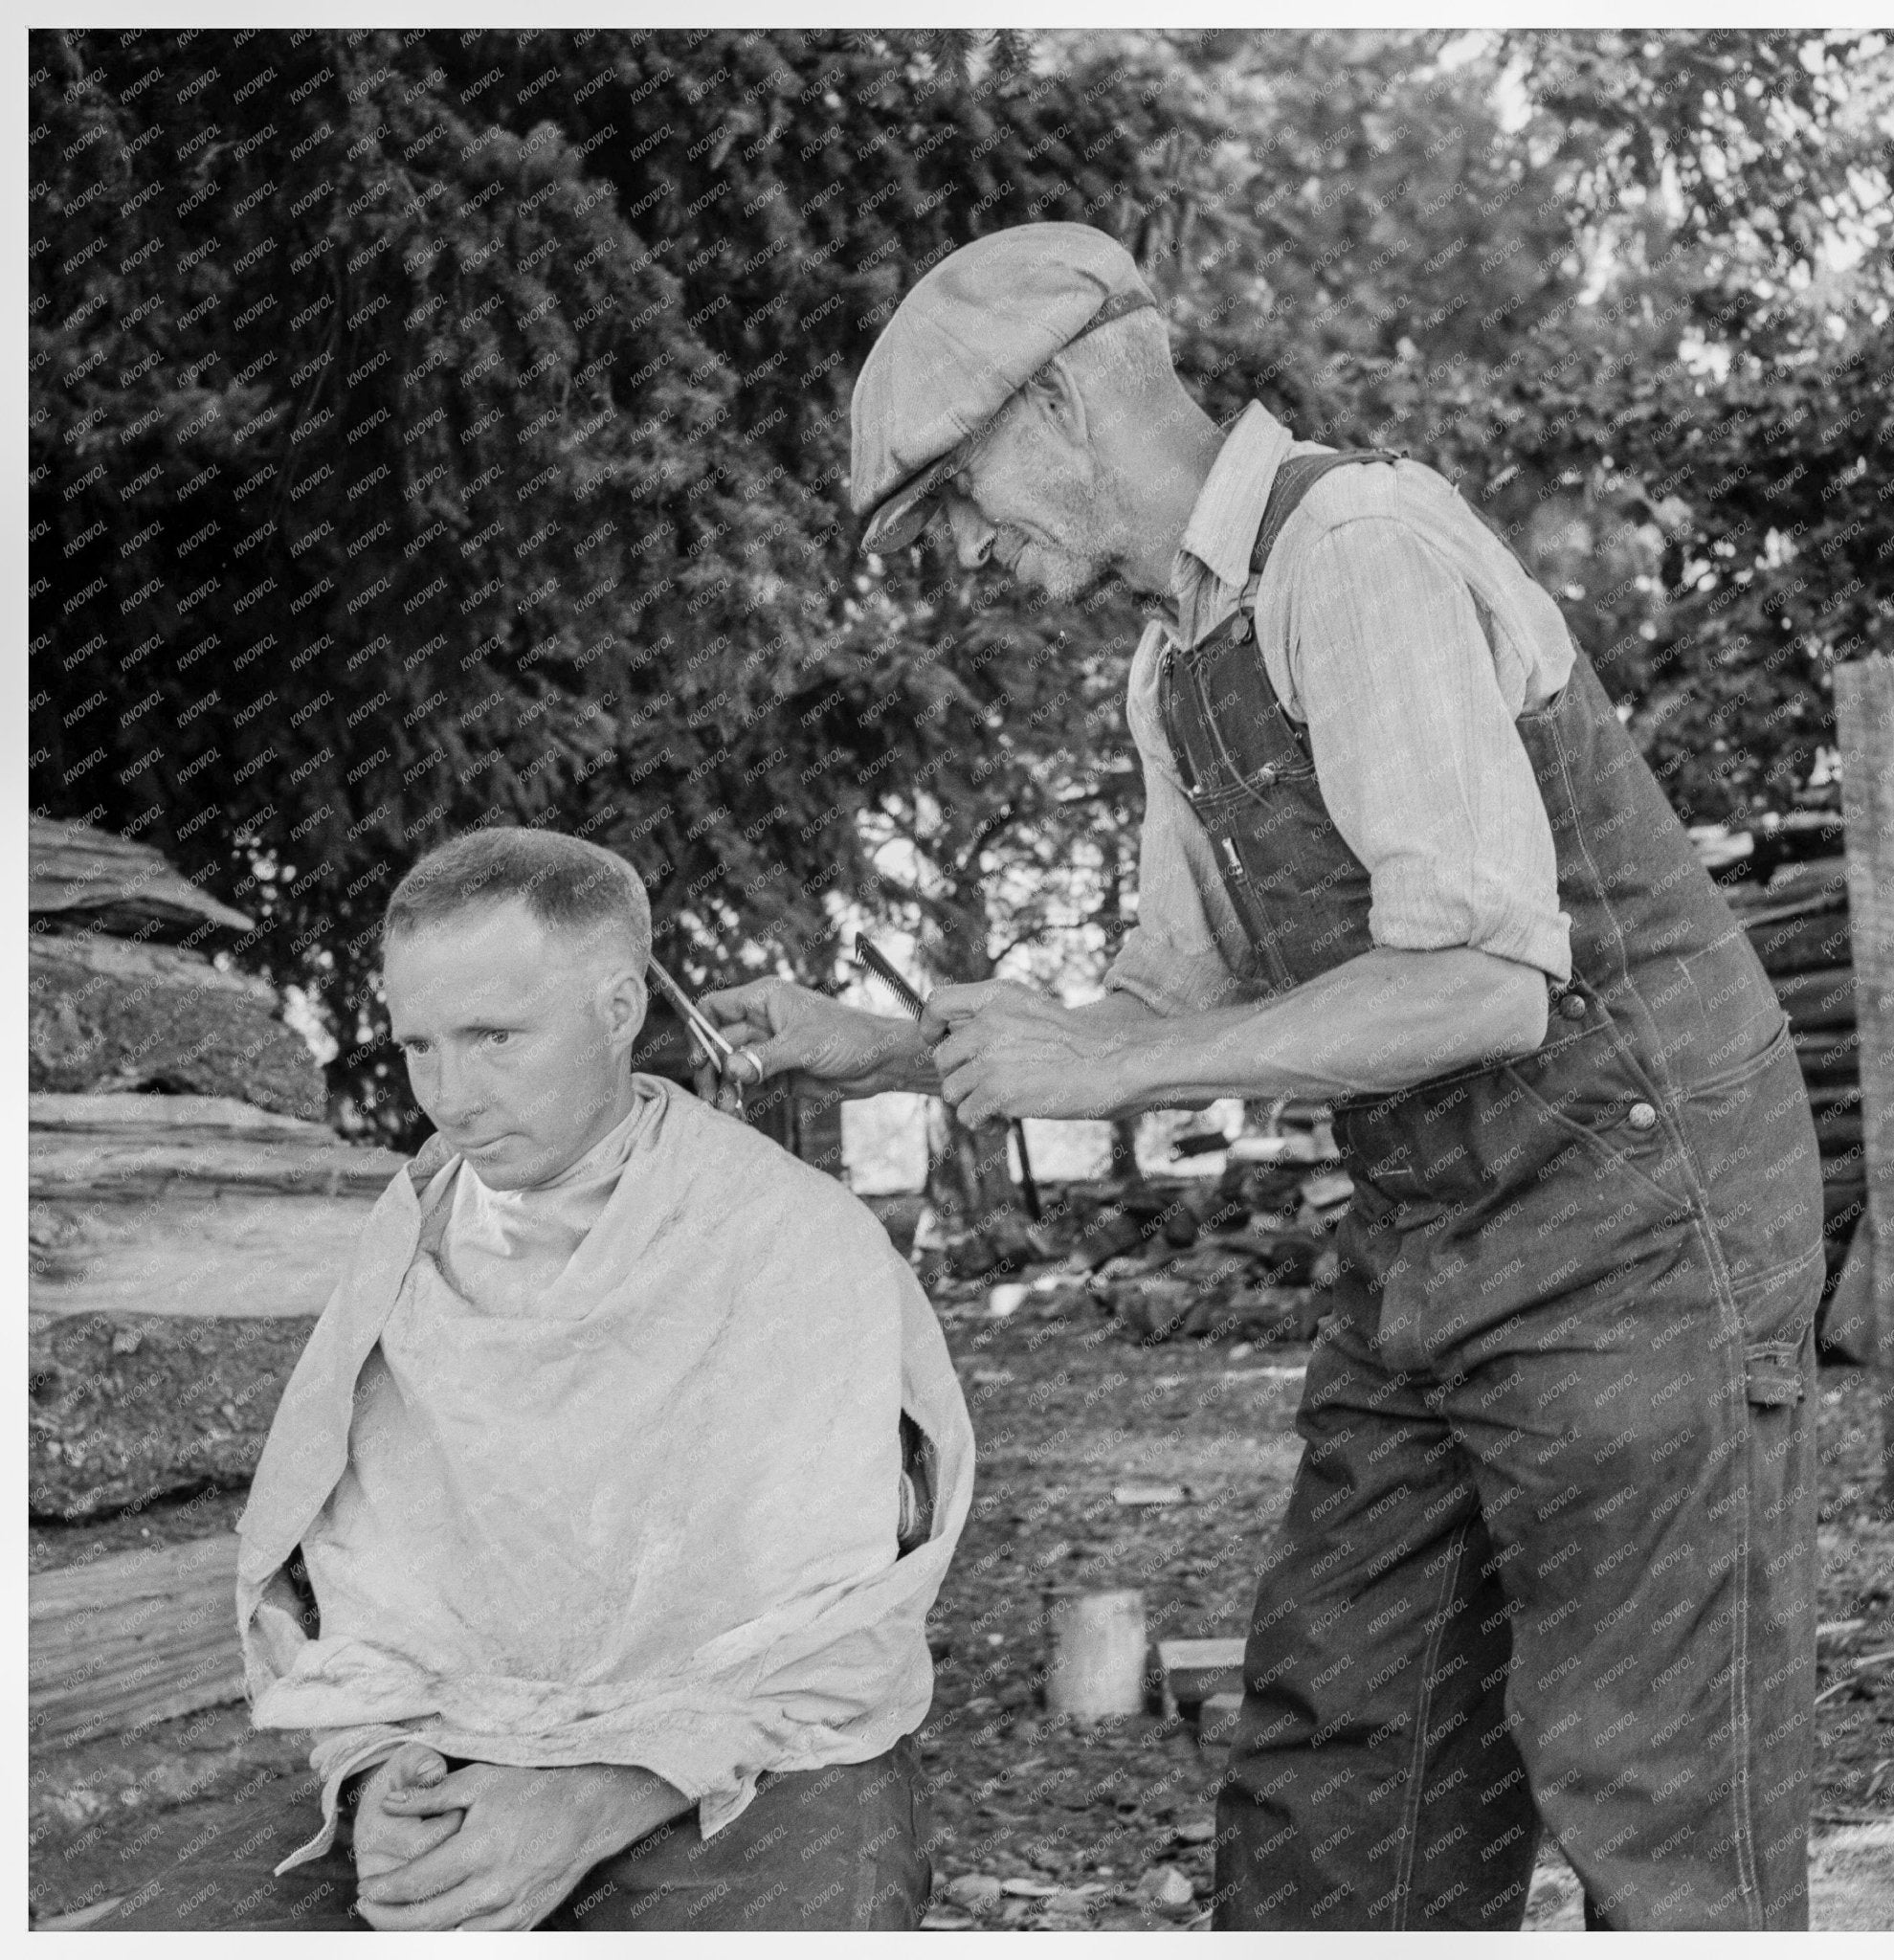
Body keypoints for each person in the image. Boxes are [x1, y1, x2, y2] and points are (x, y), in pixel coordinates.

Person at [702, 223, 1824, 1930]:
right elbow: (1157, 1002)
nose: (954, 553)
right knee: (1343, 1759)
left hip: (1638, 1223)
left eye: (949, 494)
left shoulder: (1354, 549)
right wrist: (870, 1042)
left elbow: (1479, 984)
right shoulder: (1176, 663)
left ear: (1067, 398)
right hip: (1433, 1239)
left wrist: (1117, 1052)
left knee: (1649, 1781)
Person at [105, 828, 972, 1932]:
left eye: (494, 1036)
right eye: (419, 1045)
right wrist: (378, 1770)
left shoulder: (791, 1238)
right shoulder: (409, 1237)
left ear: (618, 1010)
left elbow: (844, 1626)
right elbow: (348, 1570)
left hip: (745, 1750)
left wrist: (600, 1791)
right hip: (460, 1741)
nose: (449, 1098)